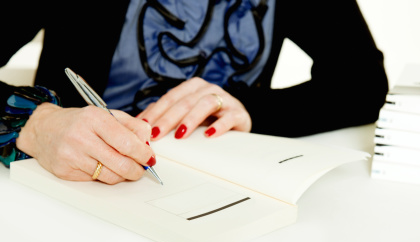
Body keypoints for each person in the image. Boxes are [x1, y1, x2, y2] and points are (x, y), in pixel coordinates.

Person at [0, 0, 389, 184]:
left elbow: (362, 82)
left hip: (225, 190)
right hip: (68, 190)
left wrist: (252, 109)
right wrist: (35, 122)